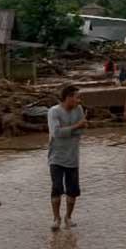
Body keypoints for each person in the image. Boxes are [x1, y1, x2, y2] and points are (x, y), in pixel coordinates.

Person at [47, 85, 87, 231]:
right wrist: (76, 126)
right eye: (76, 97)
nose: (79, 100)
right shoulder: (53, 112)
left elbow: (81, 131)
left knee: (73, 191)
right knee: (56, 188)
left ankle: (68, 217)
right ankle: (56, 218)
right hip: (56, 157)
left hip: (73, 157)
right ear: (68, 98)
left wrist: (73, 129)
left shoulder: (79, 110)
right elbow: (56, 133)